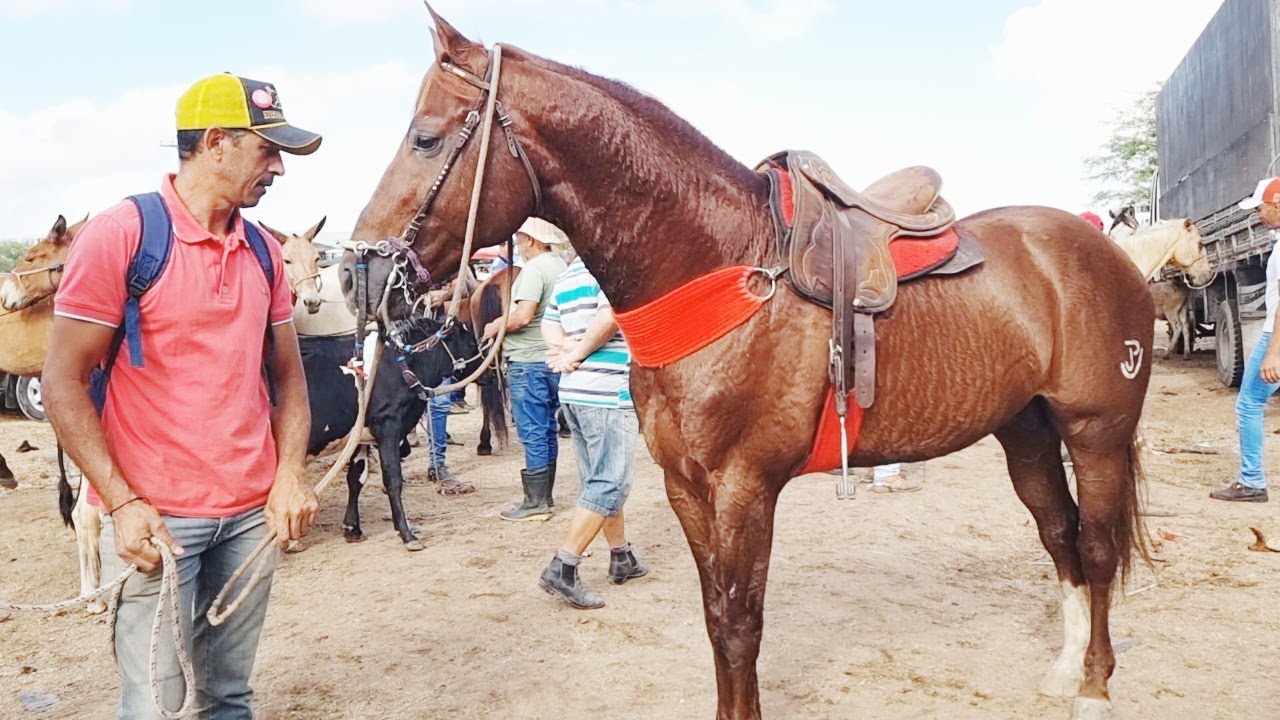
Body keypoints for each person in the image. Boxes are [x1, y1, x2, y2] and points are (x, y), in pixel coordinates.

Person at [42, 73, 321, 717]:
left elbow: (288, 376)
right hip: (159, 520)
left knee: (229, 696)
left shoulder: (265, 252)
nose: (278, 168)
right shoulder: (122, 236)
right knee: (155, 706)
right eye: (267, 149)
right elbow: (61, 382)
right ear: (216, 142)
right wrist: (122, 501)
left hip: (252, 514)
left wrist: (289, 474)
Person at [537, 254, 645, 608]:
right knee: (610, 481)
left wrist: (564, 351)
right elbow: (610, 317)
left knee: (596, 479)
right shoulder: (611, 265)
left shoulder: (568, 275)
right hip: (607, 390)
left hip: (574, 389)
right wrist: (580, 350)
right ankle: (563, 567)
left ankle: (620, 556)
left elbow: (548, 321)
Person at [484, 219, 569, 521]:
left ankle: (536, 501)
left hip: (528, 362)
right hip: (551, 359)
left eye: (520, 238)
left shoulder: (534, 270)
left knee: (533, 430)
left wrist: (495, 326)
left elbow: (522, 316)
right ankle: (544, 495)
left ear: (532, 240)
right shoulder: (560, 265)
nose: (518, 243)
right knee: (547, 430)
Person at [1212, 177, 1280, 502]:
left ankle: (1252, 481)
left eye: (1261, 208)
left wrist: (1274, 352)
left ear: (1277, 204)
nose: (1258, 215)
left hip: (1276, 337)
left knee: (1249, 403)